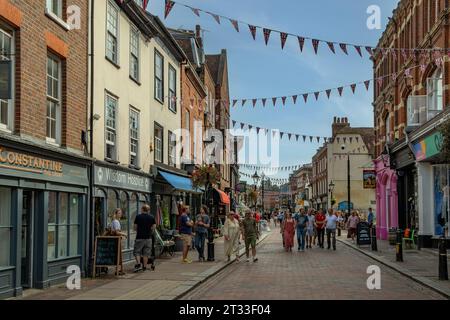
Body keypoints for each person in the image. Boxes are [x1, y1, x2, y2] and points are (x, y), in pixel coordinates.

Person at [133, 205, 156, 272]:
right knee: (146, 253)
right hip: (148, 238)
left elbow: (135, 227)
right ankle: (145, 267)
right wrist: (150, 232)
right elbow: (154, 227)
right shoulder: (151, 217)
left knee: (137, 252)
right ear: (148, 210)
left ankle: (138, 264)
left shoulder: (138, 217)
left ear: (142, 209)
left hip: (139, 237)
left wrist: (139, 230)